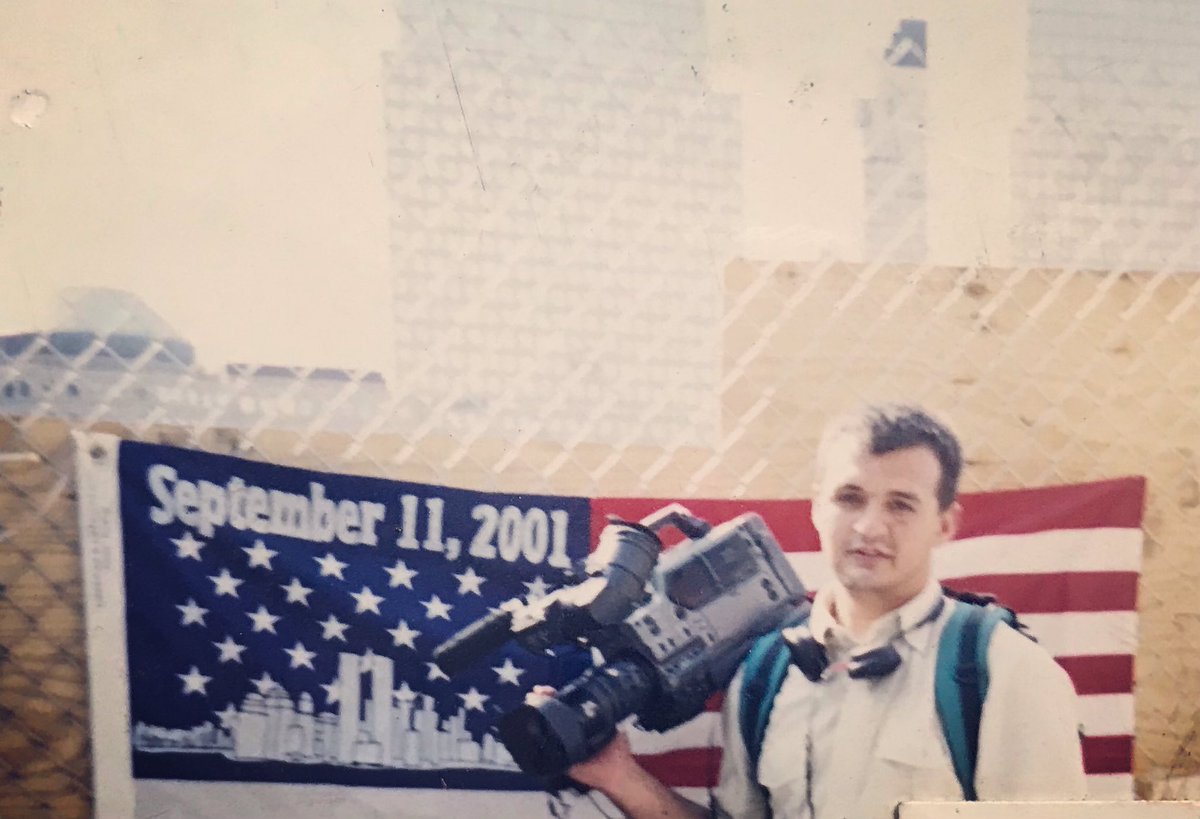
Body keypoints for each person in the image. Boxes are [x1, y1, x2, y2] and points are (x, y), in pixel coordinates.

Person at [531, 403, 1087, 818]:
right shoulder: (764, 673)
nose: (869, 526)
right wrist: (621, 777)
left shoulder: (1003, 672)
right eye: (850, 498)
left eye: (901, 505)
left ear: (945, 525)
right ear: (818, 507)